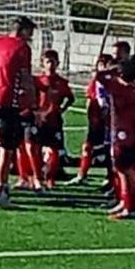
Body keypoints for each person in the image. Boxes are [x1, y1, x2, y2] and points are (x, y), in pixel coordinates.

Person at [0, 16, 36, 210]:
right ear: (23, 31)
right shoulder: (22, 47)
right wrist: (31, 101)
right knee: (7, 147)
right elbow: (25, 76)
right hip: (6, 99)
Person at [97, 55, 135, 219]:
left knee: (123, 170)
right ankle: (126, 201)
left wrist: (114, 68)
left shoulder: (116, 87)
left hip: (121, 132)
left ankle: (129, 205)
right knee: (125, 170)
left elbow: (99, 76)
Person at [31, 49, 75, 189]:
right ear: (42, 64)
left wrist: (62, 109)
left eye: (53, 62)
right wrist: (35, 111)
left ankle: (50, 178)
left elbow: (70, 98)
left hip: (55, 120)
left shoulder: (61, 82)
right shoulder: (38, 81)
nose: (50, 65)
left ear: (58, 63)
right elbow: (31, 97)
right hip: (40, 120)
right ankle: (37, 177)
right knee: (36, 148)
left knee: (55, 150)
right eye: (48, 62)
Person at [69, 53, 114, 185]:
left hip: (109, 121)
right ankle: (81, 174)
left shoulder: (112, 82)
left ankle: (110, 177)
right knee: (88, 147)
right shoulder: (95, 82)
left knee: (109, 149)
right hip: (96, 120)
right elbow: (90, 99)